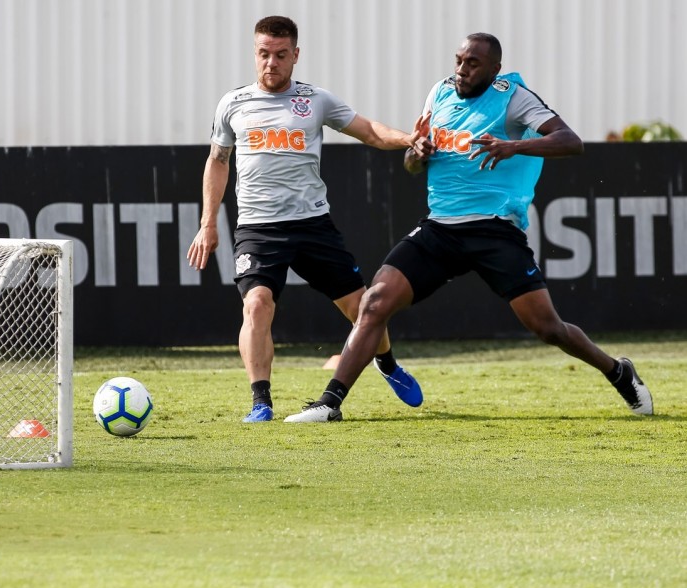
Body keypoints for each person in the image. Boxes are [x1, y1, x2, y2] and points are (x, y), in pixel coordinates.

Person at [285, 32, 653, 423]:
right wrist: (417, 152)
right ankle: (329, 403)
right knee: (374, 302)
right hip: (440, 229)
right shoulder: (440, 93)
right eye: (459, 60)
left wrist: (514, 146)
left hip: (495, 230)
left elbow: (570, 141)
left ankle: (618, 371)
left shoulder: (513, 97)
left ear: (494, 68)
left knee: (549, 328)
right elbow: (413, 164)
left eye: (472, 63)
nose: (462, 69)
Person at [186, 15, 431, 423]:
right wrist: (208, 222)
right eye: (264, 54)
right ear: (255, 53)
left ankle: (387, 363)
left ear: (295, 55)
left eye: (281, 55)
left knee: (363, 308)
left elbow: (368, 130)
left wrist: (409, 138)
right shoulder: (233, 103)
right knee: (257, 305)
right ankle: (260, 402)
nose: (271, 63)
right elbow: (217, 161)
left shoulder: (315, 100)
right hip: (258, 229)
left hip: (312, 225)